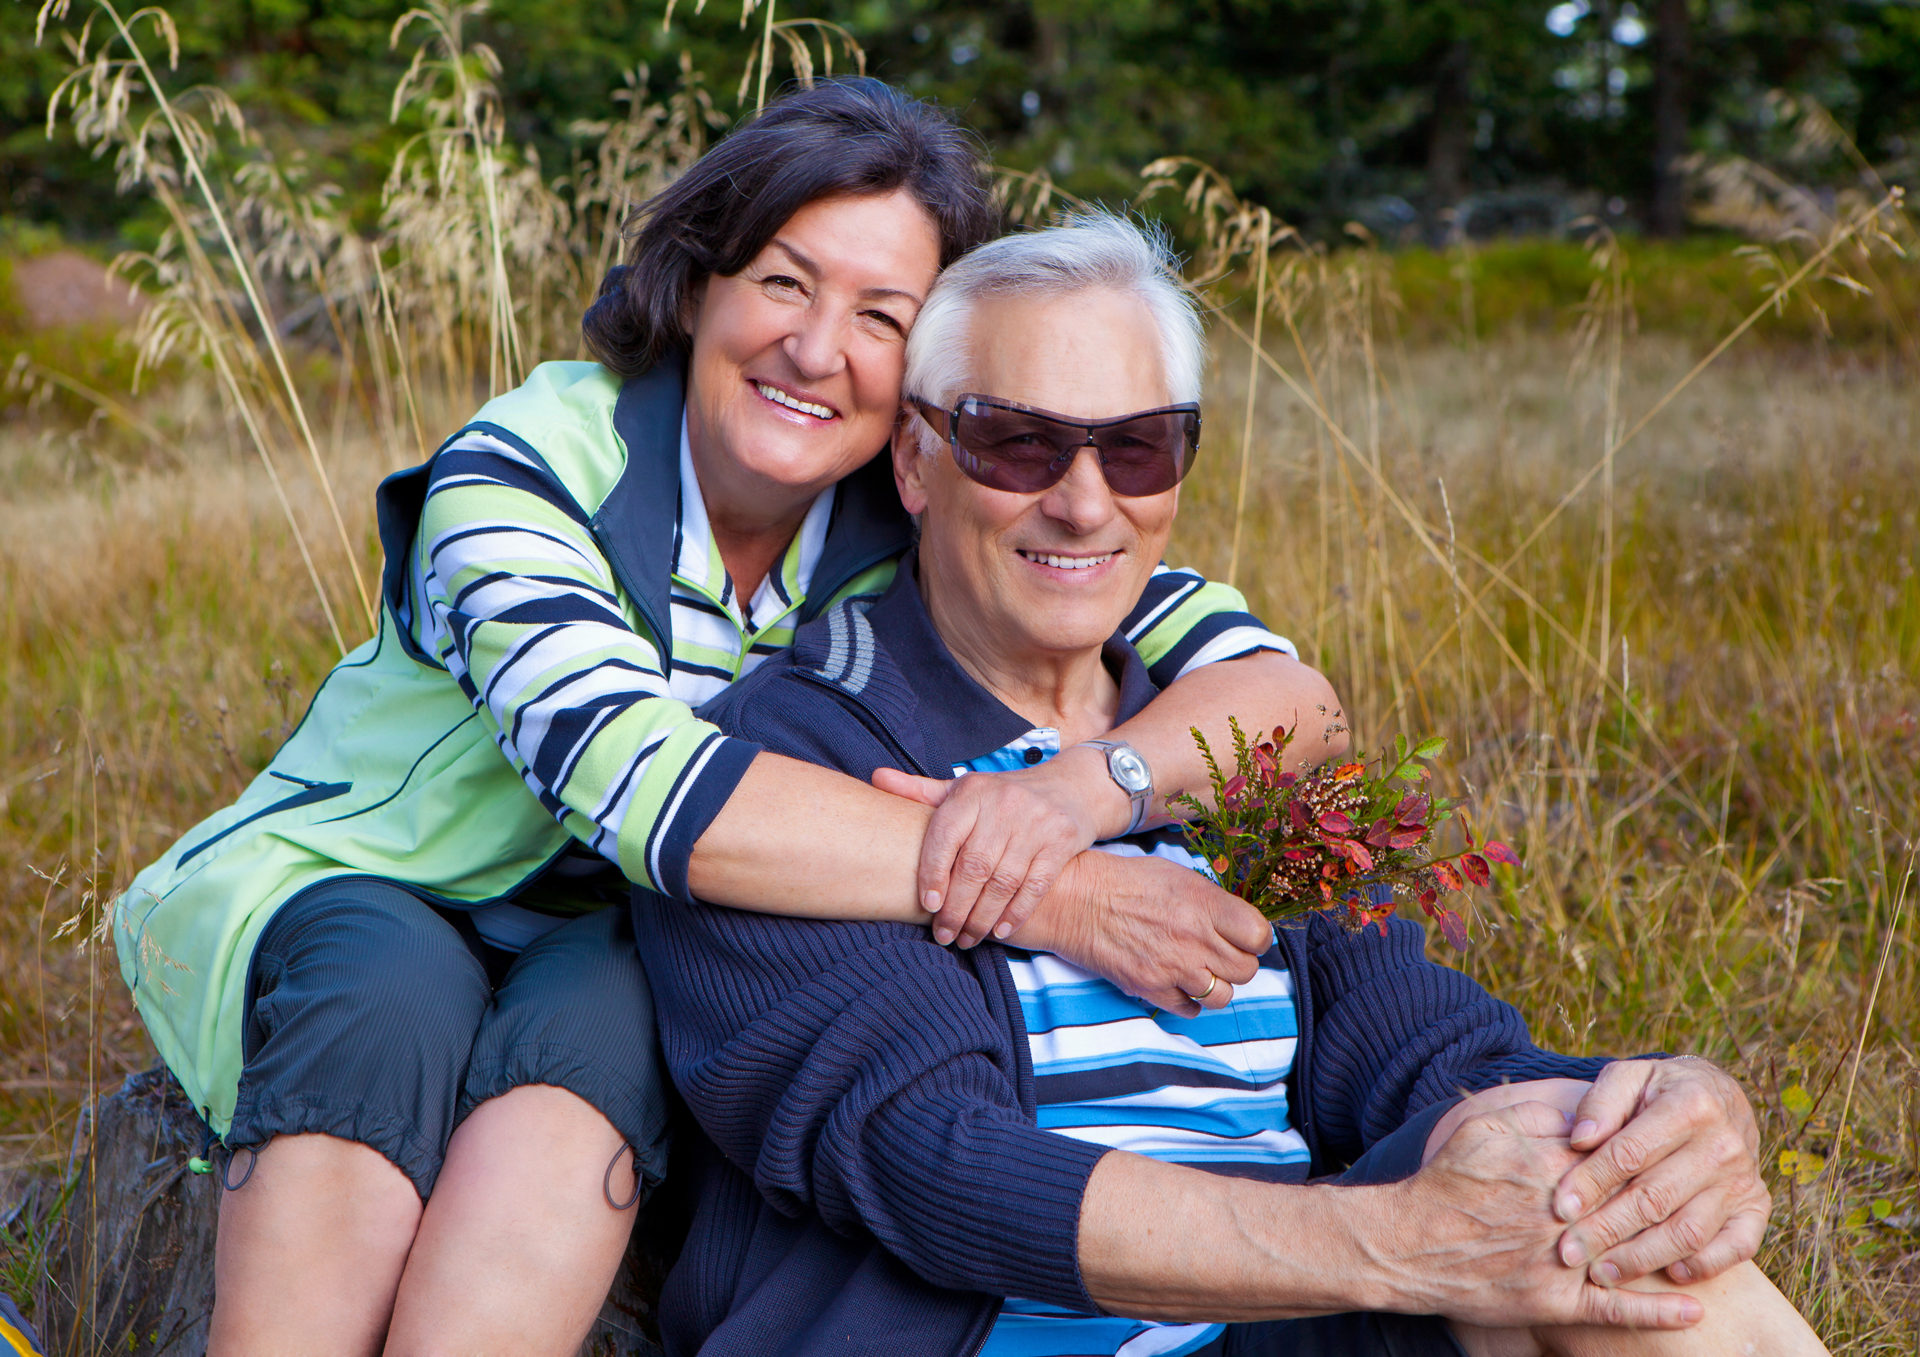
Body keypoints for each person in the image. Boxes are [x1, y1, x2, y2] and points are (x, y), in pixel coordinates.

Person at [112, 82, 1342, 1356]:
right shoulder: (532, 465)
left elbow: (1285, 698)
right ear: (699, 283)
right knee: (385, 996)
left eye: (883, 316)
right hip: (375, 879)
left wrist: (1076, 795)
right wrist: (1057, 891)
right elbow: (634, 785)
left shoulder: (921, 503)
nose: (819, 350)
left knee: (603, 1036)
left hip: (627, 931)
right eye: (784, 281)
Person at [635, 213, 1828, 1356]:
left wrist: (1673, 1109)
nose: (1085, 500)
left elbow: (1416, 1046)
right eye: (1018, 442)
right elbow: (937, 1169)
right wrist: (1393, 1243)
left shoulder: (1209, 748)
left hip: (1267, 1328)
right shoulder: (803, 757)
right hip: (979, 1335)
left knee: (1601, 1210)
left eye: (1138, 444)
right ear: (916, 460)